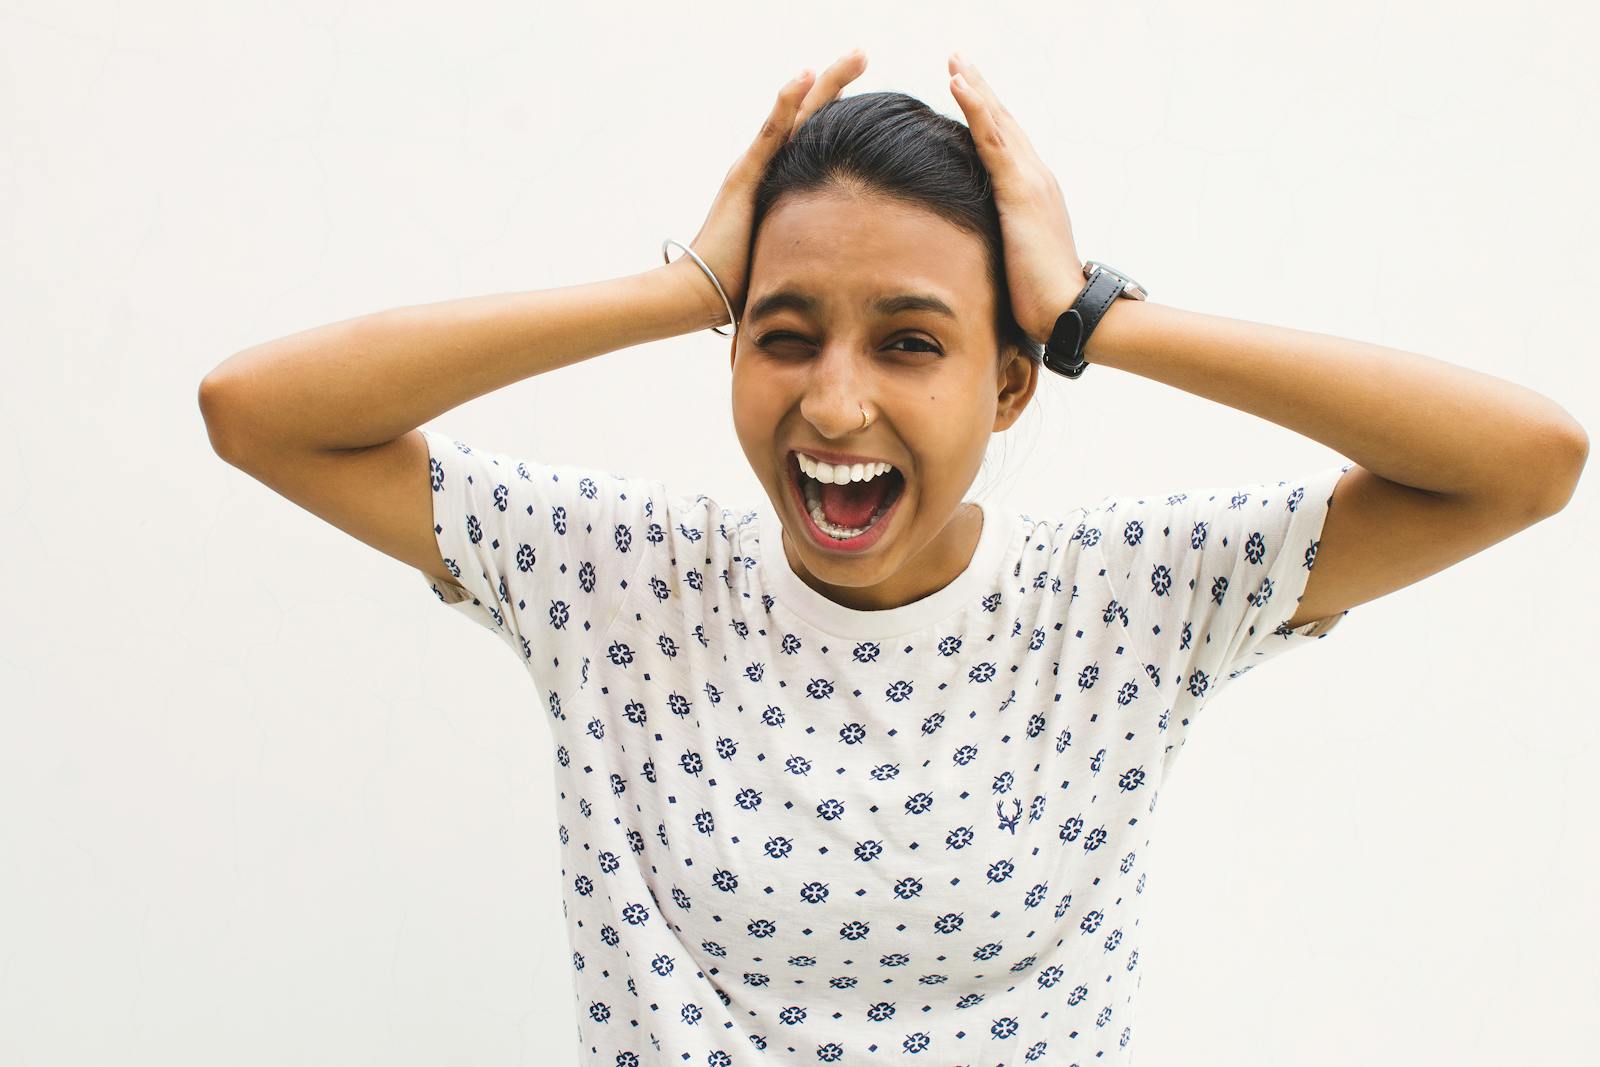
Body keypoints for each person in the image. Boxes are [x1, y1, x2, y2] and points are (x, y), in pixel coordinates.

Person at [199, 49, 1586, 1067]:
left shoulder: (1125, 604)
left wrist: (1094, 314)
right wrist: (676, 289)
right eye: (784, 333)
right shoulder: (616, 578)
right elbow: (258, 413)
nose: (836, 405)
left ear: (1010, 386)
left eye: (913, 342)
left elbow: (1525, 462)